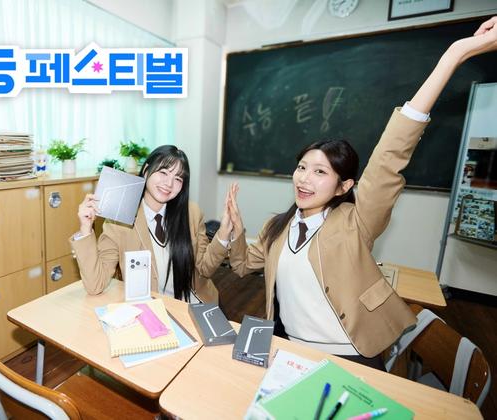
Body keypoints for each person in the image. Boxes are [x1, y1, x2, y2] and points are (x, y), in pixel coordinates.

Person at [225, 16, 497, 369]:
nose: (304, 179)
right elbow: (242, 265)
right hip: (289, 349)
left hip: (348, 353)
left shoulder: (357, 220)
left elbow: (391, 153)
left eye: (320, 172)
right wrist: (235, 230)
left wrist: (455, 54)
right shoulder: (277, 227)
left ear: (345, 186)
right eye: (302, 167)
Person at [72, 145, 241, 303]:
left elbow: (204, 269)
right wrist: (86, 229)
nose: (169, 184)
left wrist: (223, 233)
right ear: (146, 171)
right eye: (163, 172)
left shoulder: (192, 213)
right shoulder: (120, 219)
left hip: (192, 303)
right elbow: (95, 285)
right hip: (152, 308)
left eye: (178, 178)